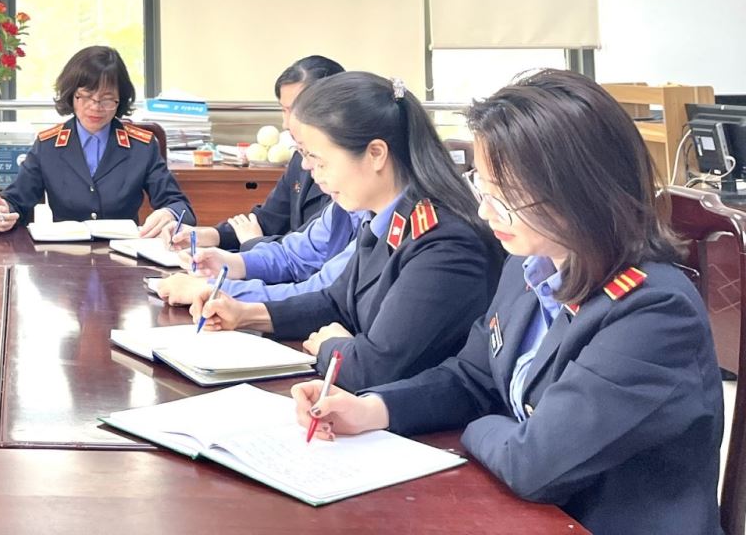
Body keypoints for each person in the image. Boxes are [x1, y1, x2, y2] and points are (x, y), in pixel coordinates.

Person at [295, 71, 723, 535]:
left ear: (581, 190)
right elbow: (470, 378)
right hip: (527, 515)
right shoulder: (527, 267)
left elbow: (533, 462)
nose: (484, 211)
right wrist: (372, 409)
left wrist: (481, 424)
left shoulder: (653, 311)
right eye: (484, 187)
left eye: (507, 196)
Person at [184, 71, 501, 392]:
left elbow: (373, 368)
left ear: (375, 154)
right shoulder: (383, 218)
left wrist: (330, 346)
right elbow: (335, 302)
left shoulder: (445, 242)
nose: (308, 170)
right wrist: (244, 314)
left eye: (317, 159)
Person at [0, 47, 192, 238]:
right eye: (85, 97)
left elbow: (179, 205)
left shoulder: (141, 146)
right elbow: (16, 200)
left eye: (107, 99)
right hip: (64, 257)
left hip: (124, 255)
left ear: (120, 99)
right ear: (71, 95)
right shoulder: (48, 145)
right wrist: (2, 213)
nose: (95, 107)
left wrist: (170, 213)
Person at [215, 55, 344, 250]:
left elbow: (308, 250)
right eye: (283, 110)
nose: (286, 123)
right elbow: (268, 219)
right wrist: (209, 235)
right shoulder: (299, 158)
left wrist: (254, 242)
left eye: (295, 111)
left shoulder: (347, 171)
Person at [156, 197, 368, 305]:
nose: (306, 165)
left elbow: (322, 294)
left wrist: (215, 290)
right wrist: (233, 263)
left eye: (315, 156)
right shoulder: (344, 204)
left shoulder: (378, 221)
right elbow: (292, 256)